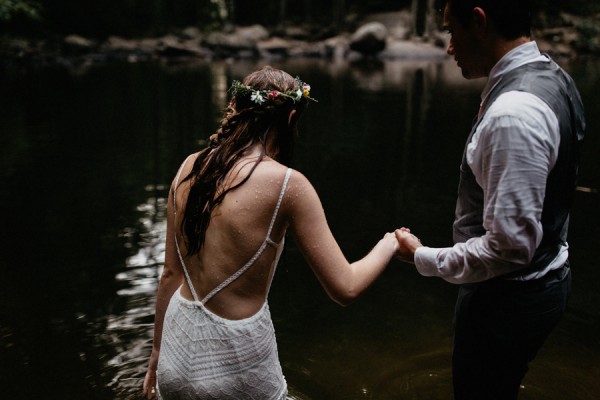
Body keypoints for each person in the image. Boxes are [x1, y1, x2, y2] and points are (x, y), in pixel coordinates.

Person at [142, 66, 400, 400]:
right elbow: (345, 287)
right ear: (292, 117)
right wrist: (389, 243)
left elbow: (170, 274)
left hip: (175, 358)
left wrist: (157, 355)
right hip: (237, 362)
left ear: (236, 108)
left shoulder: (187, 167)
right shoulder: (288, 186)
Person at [395, 0, 585, 399]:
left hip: (508, 301)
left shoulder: (513, 115)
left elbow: (509, 249)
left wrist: (423, 257)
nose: (449, 46)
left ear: (479, 22)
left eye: (451, 31)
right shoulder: (554, 77)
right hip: (546, 276)